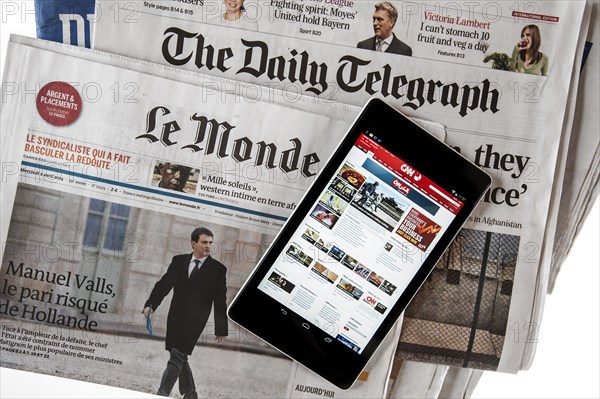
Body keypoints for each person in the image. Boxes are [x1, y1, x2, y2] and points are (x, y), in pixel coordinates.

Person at [142, 227, 228, 399]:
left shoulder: (218, 270)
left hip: (196, 321)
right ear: (193, 243)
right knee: (179, 356)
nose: (208, 246)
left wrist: (221, 327)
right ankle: (190, 393)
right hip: (175, 317)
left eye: (211, 243)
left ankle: (162, 393)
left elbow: (220, 300)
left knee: (177, 356)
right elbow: (164, 284)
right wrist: (151, 305)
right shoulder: (179, 261)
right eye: (204, 242)